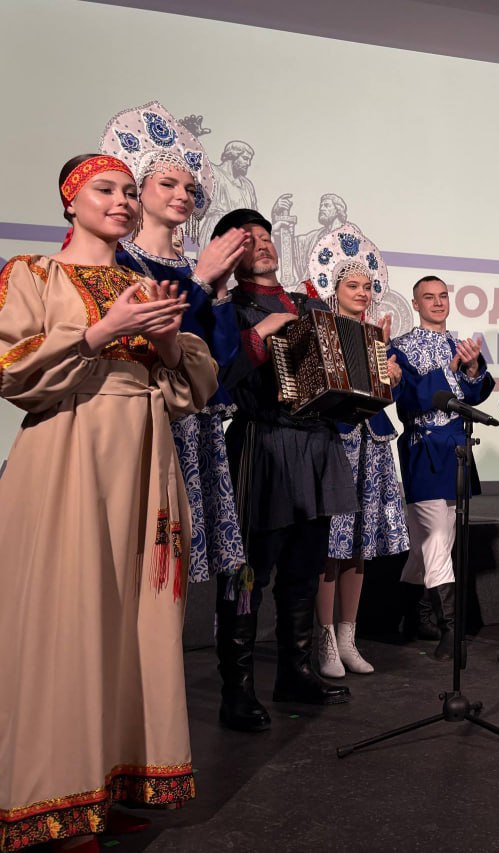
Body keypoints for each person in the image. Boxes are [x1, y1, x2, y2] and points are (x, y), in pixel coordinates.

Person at [0, 154, 216, 851]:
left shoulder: (144, 284)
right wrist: (99, 331)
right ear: (71, 200)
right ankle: (55, 799)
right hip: (68, 455)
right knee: (69, 620)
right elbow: (11, 369)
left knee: (133, 624)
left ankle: (104, 784)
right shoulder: (33, 274)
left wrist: (167, 342)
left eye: (129, 191)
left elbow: (192, 387)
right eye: (105, 189)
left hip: (145, 461)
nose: (122, 200)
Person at [215, 207, 359, 731]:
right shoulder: (226, 310)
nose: (262, 243)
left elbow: (341, 385)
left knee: (304, 571)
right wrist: (261, 333)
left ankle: (295, 673)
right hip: (263, 443)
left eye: (265, 235)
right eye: (246, 238)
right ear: (228, 254)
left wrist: (375, 377)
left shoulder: (310, 305)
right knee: (248, 573)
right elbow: (217, 377)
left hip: (317, 447)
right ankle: (237, 691)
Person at [103, 101, 253, 591]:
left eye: (190, 188)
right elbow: (151, 340)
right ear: (138, 191)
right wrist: (202, 282)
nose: (182, 195)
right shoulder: (121, 261)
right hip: (150, 418)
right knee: (140, 553)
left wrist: (220, 291)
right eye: (167, 184)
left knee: (181, 568)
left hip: (198, 423)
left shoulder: (196, 268)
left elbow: (222, 360)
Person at [307, 229, 408, 677]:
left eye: (367, 286)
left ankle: (349, 637)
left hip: (372, 444)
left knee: (359, 544)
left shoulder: (378, 335)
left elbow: (382, 396)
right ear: (335, 289)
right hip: (336, 443)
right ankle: (325, 638)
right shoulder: (318, 330)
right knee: (332, 544)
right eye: (353, 285)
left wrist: (390, 377)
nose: (363, 293)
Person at [389, 275, 494, 661]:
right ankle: (451, 629)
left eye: (443, 296)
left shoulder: (457, 344)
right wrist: (450, 371)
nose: (437, 302)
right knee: (435, 540)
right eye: (428, 297)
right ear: (415, 304)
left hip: (455, 452)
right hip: (423, 450)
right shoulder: (399, 347)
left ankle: (410, 616)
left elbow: (476, 394)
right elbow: (408, 398)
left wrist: (471, 368)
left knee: (433, 543)